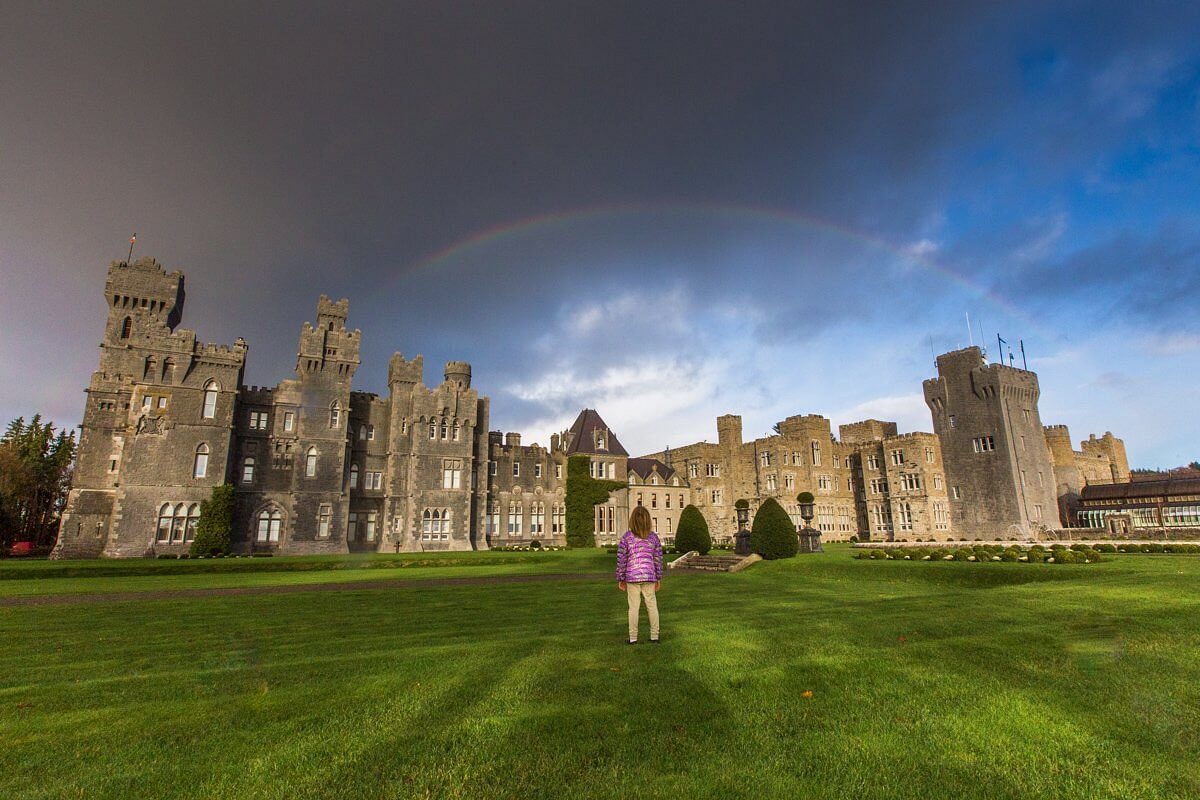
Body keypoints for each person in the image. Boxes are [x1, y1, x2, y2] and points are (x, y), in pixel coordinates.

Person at [616, 505, 663, 644]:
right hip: (649, 576)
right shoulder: (653, 538)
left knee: (633, 608)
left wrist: (621, 578)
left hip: (632, 577)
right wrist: (658, 577)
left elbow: (621, 559)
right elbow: (658, 560)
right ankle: (654, 636)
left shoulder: (627, 538)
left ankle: (633, 638)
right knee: (652, 605)